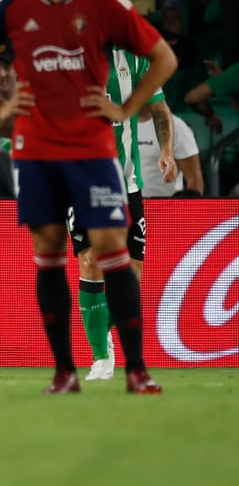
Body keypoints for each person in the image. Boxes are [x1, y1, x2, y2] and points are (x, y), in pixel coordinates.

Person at [0, 0, 176, 395]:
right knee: (51, 253)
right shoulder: (9, 6)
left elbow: (163, 58)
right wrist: (0, 104)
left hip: (96, 153)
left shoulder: (105, 4)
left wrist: (125, 108)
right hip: (36, 153)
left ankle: (136, 369)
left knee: (112, 253)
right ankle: (65, 369)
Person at [67, 47, 177, 382]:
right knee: (90, 262)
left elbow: (159, 110)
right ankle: (101, 355)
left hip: (127, 184)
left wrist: (168, 152)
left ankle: (102, 331)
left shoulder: (135, 59)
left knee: (131, 276)